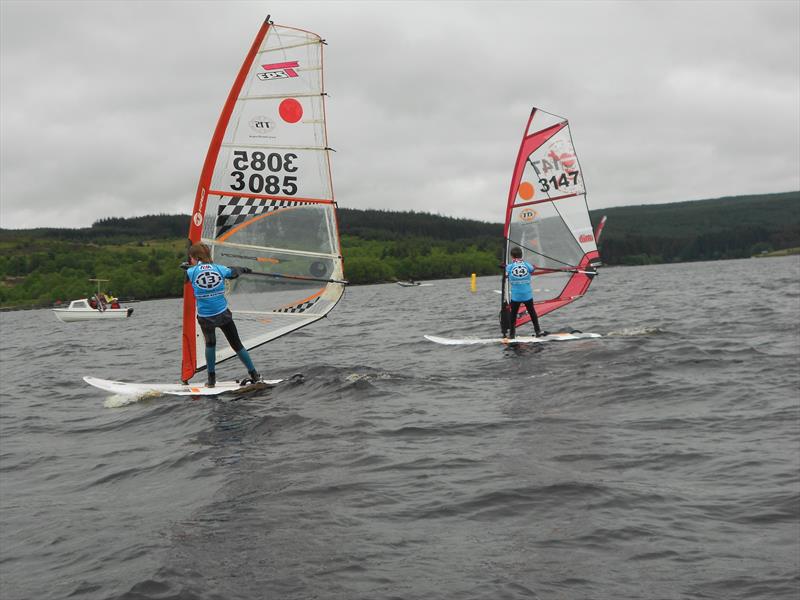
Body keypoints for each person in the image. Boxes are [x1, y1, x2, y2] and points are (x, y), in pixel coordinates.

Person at [182, 243, 260, 388]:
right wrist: (242, 269)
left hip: (206, 317)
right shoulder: (220, 269)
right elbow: (234, 272)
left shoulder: (190, 272)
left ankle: (211, 380)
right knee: (237, 344)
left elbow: (188, 276)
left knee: (210, 344)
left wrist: (188, 267)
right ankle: (254, 374)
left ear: (194, 258)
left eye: (191, 258)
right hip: (222, 314)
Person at [503, 246, 547, 339]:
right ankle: (538, 331)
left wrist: (503, 266)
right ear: (521, 255)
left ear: (512, 256)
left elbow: (506, 269)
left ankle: (512, 334)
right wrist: (534, 267)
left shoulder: (510, 267)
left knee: (513, 315)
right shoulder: (527, 265)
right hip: (527, 295)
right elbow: (532, 269)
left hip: (516, 296)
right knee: (532, 313)